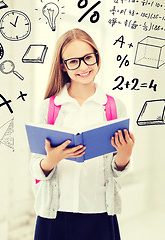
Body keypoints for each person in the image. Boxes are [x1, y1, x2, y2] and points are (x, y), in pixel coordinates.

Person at [30, 28, 135, 240]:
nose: (83, 66)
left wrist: (125, 155)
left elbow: (117, 170)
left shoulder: (114, 107)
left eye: (88, 58)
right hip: (55, 213)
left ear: (97, 57)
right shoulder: (48, 109)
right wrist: (51, 160)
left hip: (99, 212)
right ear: (63, 66)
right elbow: (35, 167)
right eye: (73, 61)